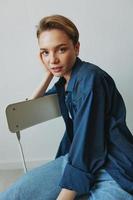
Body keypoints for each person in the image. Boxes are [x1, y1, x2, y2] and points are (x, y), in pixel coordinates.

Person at [0, 14, 133, 200]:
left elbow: (89, 144)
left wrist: (65, 195)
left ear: (76, 48)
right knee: (12, 195)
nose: (53, 59)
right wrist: (47, 73)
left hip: (113, 167)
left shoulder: (91, 80)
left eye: (61, 50)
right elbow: (29, 107)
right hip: (76, 160)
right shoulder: (65, 81)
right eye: (45, 52)